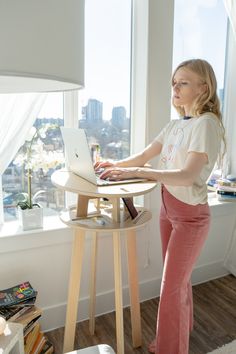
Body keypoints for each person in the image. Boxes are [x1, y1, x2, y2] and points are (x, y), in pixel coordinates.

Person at [95, 59, 225, 354]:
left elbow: (187, 175)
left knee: (171, 287)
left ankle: (171, 348)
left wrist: (137, 173)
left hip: (191, 218)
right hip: (169, 210)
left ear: (203, 88)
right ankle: (181, 329)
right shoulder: (175, 125)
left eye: (184, 82)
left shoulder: (206, 124)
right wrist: (115, 164)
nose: (175, 88)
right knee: (179, 282)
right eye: (174, 83)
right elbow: (143, 156)